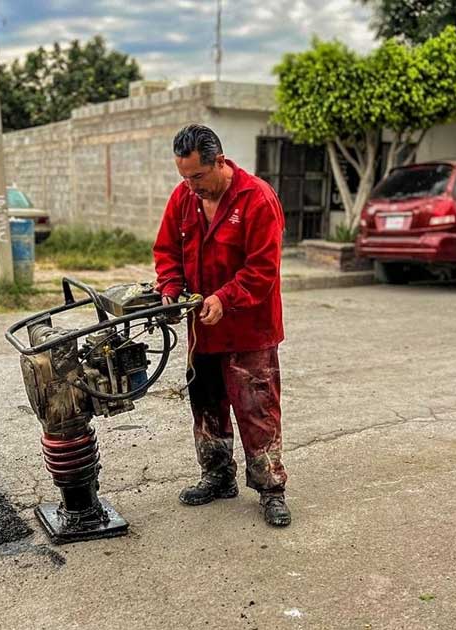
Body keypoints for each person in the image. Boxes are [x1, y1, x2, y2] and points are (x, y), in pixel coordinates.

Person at [152, 123, 290, 527]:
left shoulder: (256, 199)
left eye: (197, 176)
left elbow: (262, 269)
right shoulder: (184, 199)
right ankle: (216, 475)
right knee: (207, 405)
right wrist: (171, 288)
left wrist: (224, 298)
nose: (191, 185)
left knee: (257, 409)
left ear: (220, 161)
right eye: (184, 177)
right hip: (203, 328)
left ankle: (270, 489)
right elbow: (167, 250)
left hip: (250, 329)